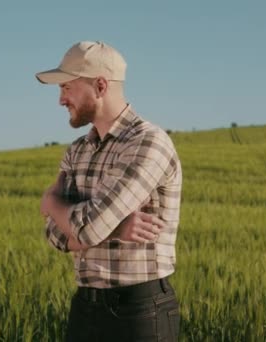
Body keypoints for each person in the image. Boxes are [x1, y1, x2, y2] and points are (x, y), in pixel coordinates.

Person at [36, 41, 182, 341]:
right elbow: (53, 234)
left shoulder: (147, 143)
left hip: (141, 311)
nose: (61, 100)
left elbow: (87, 229)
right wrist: (116, 230)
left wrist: (52, 202)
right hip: (86, 307)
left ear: (100, 85)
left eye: (67, 88)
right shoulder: (77, 150)